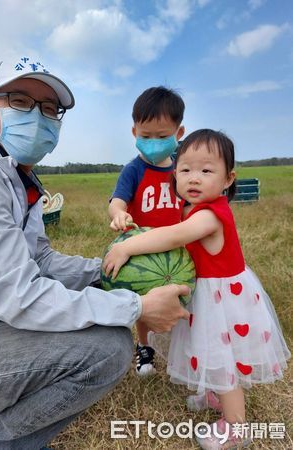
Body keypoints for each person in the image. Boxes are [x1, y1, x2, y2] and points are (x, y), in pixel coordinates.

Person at [0, 56, 191, 450]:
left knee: (104, 337)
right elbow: (22, 297)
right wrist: (135, 305)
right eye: (20, 101)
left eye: (49, 108)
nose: (38, 116)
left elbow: (41, 261)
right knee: (106, 351)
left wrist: (107, 270)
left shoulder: (16, 175)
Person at [104, 129, 291, 449]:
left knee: (223, 359)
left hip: (222, 299)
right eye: (186, 170)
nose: (194, 178)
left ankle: (236, 429)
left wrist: (128, 247)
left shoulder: (210, 214)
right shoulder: (191, 208)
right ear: (174, 174)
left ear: (228, 179)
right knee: (205, 349)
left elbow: (174, 237)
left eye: (206, 171)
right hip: (207, 293)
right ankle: (212, 393)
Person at [109, 86, 185, 376]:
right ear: (134, 132)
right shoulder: (133, 170)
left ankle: (182, 351)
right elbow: (117, 201)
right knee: (145, 299)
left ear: (179, 133)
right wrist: (119, 214)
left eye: (163, 136)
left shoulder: (182, 169)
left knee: (180, 296)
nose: (154, 142)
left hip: (178, 247)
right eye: (146, 136)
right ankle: (144, 348)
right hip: (141, 250)